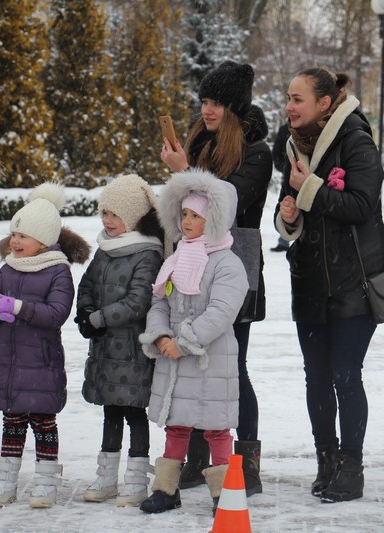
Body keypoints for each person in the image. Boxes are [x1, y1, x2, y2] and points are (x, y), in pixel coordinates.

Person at [274, 67, 384, 503]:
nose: (289, 106)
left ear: (325, 103)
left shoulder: (356, 140)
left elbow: (361, 205)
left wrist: (311, 189)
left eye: (298, 98)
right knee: (317, 377)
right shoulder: (291, 147)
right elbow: (291, 210)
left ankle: (351, 466)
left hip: (353, 281)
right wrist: (287, 216)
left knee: (345, 374)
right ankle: (326, 459)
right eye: (288, 97)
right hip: (309, 282)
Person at [160, 60, 272, 495]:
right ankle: (199, 464)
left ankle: (246, 466)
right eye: (205, 101)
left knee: (231, 369)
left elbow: (226, 205)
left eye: (218, 103)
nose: (208, 110)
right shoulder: (200, 140)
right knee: (191, 367)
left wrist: (185, 171)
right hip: (190, 268)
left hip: (232, 269)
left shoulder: (256, 151)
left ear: (235, 106)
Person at [137, 169, 248, 515]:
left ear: (213, 220)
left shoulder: (227, 263)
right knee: (177, 422)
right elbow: (159, 301)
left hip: (209, 359)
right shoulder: (177, 257)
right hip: (174, 357)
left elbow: (221, 312)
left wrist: (183, 343)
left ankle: (225, 494)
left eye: (196, 216)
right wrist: (162, 335)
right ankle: (167, 488)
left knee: (216, 428)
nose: (187, 221)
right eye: (184, 214)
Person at [0, 183, 89, 508]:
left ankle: (46, 480)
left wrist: (16, 308)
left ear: (42, 241)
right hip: (9, 363)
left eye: (22, 236)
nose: (14, 241)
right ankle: (6, 477)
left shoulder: (58, 272)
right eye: (13, 234)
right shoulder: (8, 267)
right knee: (12, 420)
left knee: (42, 422)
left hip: (41, 364)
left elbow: (56, 314)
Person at [74, 174, 164, 506]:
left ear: (134, 216)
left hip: (134, 353)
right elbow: (87, 284)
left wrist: (99, 318)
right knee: (110, 412)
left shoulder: (148, 255)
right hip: (105, 352)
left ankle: (137, 480)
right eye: (105, 213)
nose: (107, 220)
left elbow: (138, 302)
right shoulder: (104, 250)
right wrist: (85, 310)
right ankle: (106, 477)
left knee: (134, 414)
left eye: (115, 214)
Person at [270, 123, 290, 252]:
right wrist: (286, 169)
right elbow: (276, 153)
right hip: (289, 176)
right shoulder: (285, 129)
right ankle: (283, 241)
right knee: (287, 206)